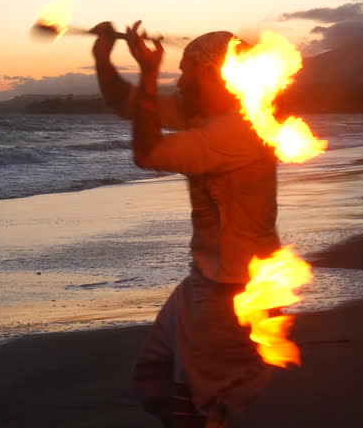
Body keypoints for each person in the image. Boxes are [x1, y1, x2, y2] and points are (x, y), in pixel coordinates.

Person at [91, 21, 281, 428]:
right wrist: (103, 58)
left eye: (185, 70)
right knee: (156, 375)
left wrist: (147, 72)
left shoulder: (238, 131)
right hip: (208, 280)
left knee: (199, 404)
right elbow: (129, 104)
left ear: (213, 75)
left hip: (234, 291)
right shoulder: (206, 112)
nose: (180, 78)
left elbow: (148, 152)